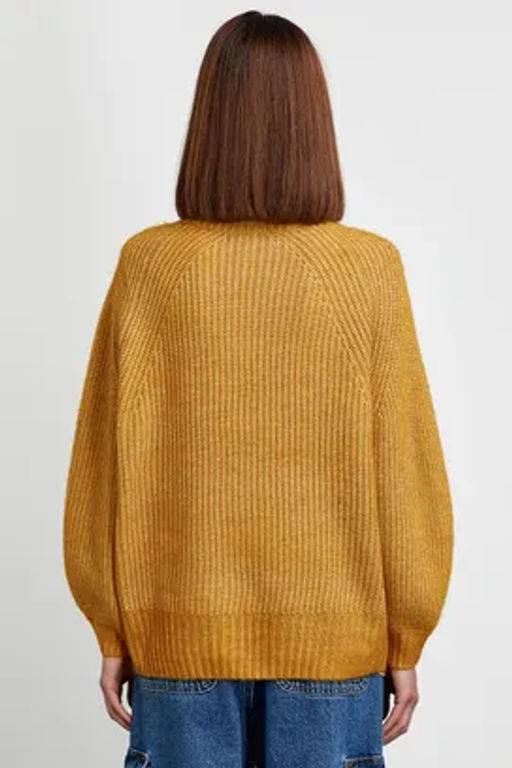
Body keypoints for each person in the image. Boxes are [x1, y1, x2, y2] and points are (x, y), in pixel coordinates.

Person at [63, 10, 453, 767]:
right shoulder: (366, 270)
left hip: (177, 642)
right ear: (314, 124)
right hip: (334, 648)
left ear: (207, 122)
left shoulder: (151, 266)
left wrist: (110, 628)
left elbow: (100, 468)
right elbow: (406, 468)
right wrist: (407, 637)